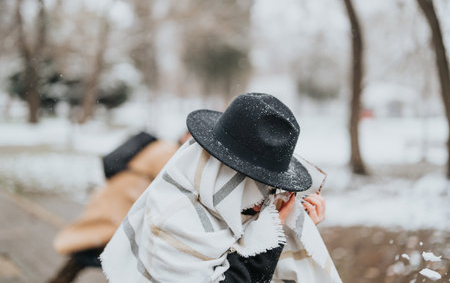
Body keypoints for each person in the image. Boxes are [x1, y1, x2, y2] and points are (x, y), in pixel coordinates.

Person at [101, 93, 341, 283]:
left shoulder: (229, 207)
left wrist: (293, 228)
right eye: (259, 184)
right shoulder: (173, 218)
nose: (268, 198)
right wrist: (273, 232)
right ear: (226, 175)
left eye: (274, 188)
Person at [49, 132, 185, 283]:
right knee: (114, 250)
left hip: (117, 194)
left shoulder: (163, 147)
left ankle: (59, 279)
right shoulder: (169, 150)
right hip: (125, 198)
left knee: (93, 244)